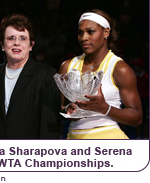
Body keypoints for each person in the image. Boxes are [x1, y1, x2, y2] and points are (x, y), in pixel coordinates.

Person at [58, 9, 142, 139]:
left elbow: (137, 118)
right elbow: (58, 107)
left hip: (109, 141)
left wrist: (105, 109)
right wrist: (68, 109)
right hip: (74, 141)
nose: (84, 38)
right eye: (80, 33)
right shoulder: (67, 66)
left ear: (106, 32)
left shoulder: (119, 68)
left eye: (90, 31)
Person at [0, 13, 61, 139]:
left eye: (22, 38)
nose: (16, 43)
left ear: (31, 45)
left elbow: (49, 126)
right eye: (11, 38)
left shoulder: (45, 75)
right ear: (2, 45)